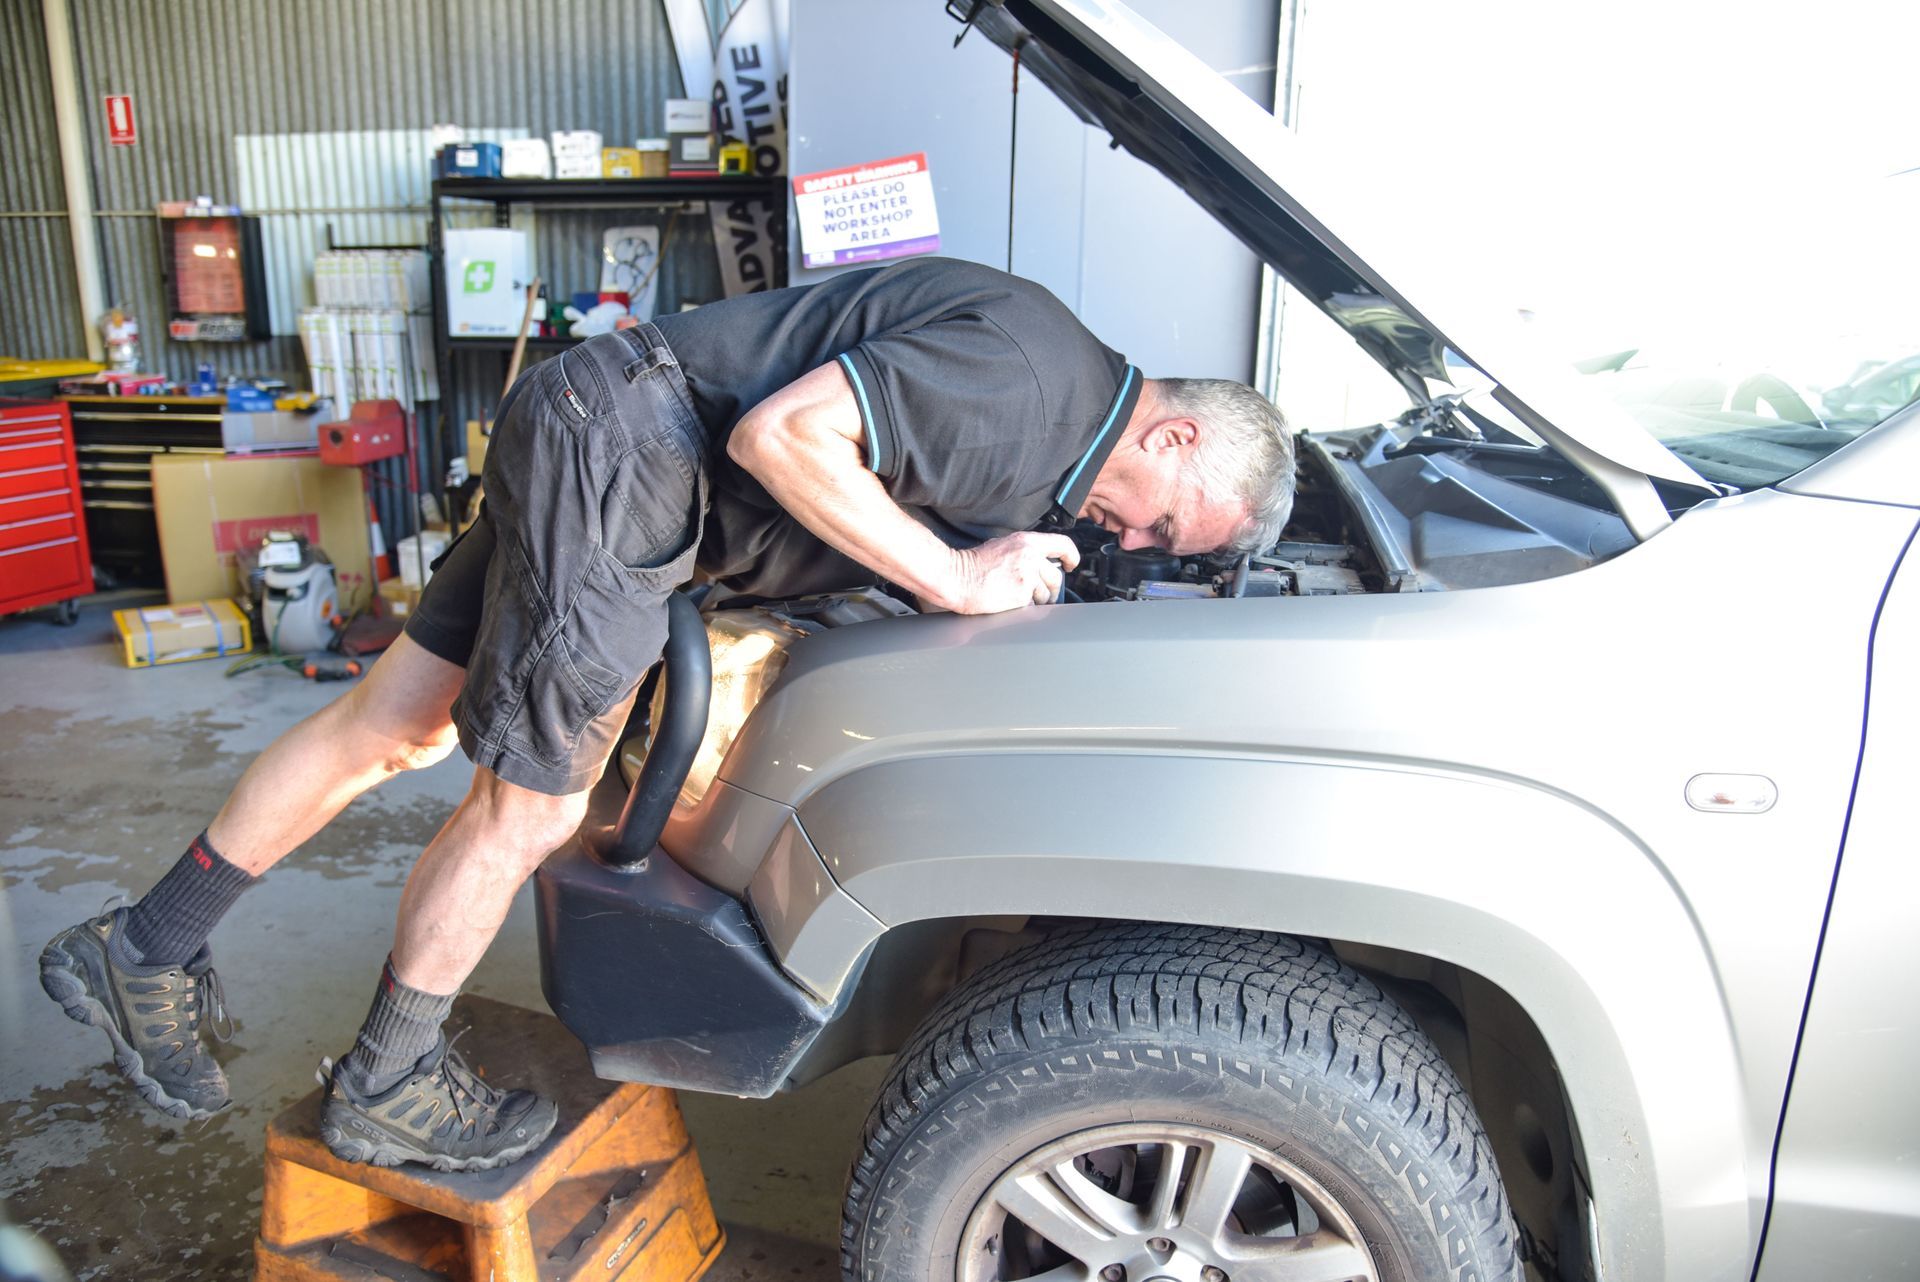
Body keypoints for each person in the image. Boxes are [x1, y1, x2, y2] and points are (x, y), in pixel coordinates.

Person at [38, 257, 1294, 1172]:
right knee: (529, 811)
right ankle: (387, 1084)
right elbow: (784, 436)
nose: (1134, 543)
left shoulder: (1055, 404)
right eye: (1164, 527)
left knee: (394, 725)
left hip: (604, 434)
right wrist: (954, 574)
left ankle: (144, 944)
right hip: (631, 461)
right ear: (1177, 436)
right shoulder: (1029, 391)